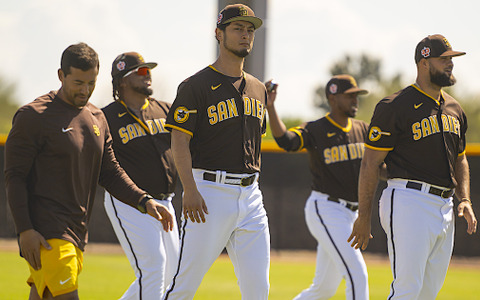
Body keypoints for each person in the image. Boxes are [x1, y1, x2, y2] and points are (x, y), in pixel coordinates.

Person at [4, 43, 174, 300]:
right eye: (78, 82)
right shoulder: (33, 116)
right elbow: (15, 177)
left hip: (76, 231)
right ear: (61, 75)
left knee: (44, 295)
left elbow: (111, 171)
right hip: (47, 231)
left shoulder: (96, 117)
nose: (85, 90)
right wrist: (25, 229)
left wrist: (143, 200)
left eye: (91, 83)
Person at [348, 34, 477, 299]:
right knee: (407, 290)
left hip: (445, 206)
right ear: (424, 62)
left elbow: (460, 158)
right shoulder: (395, 106)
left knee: (427, 293)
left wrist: (465, 198)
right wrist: (363, 217)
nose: (450, 64)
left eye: (451, 59)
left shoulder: (455, 108)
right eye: (443, 59)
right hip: (408, 200)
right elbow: (371, 163)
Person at [162, 4, 269, 299]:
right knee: (184, 285)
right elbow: (179, 142)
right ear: (218, 34)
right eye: (238, 29)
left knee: (259, 289)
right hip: (209, 193)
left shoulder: (258, 89)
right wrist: (190, 189)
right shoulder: (195, 86)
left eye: (250, 30)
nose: (246, 35)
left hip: (251, 197)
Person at [266, 75, 371, 300]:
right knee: (357, 274)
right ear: (332, 97)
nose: (355, 100)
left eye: (356, 96)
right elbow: (286, 140)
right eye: (350, 96)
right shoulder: (317, 129)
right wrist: (271, 107)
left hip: (352, 215)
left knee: (323, 289)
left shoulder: (363, 129)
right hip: (327, 209)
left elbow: (378, 166)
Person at [102, 52, 179, 299]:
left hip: (165, 201)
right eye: (141, 71)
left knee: (172, 272)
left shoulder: (164, 109)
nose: (148, 75)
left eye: (148, 70)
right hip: (130, 201)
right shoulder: (106, 117)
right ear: (123, 80)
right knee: (154, 267)